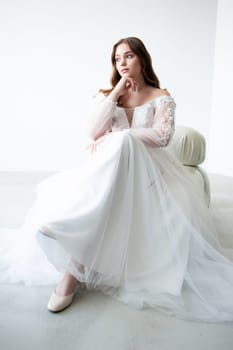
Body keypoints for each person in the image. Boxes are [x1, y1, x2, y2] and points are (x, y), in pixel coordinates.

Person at [1, 37, 233, 322]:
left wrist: (120, 137)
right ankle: (73, 259)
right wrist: (116, 94)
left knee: (124, 143)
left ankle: (72, 264)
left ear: (142, 59)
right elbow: (92, 132)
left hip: (149, 171)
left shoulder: (161, 96)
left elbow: (161, 137)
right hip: (111, 171)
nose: (122, 63)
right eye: (117, 59)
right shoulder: (107, 94)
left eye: (129, 57)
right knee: (118, 153)